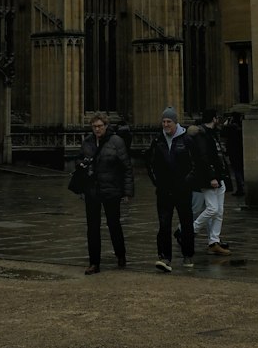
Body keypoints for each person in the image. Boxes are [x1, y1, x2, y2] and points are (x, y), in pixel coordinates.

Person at [144, 106, 196, 273]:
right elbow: (150, 164)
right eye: (164, 121)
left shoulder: (186, 139)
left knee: (187, 224)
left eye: (169, 121)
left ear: (175, 122)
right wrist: (157, 182)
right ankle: (165, 257)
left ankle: (188, 254)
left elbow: (196, 164)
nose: (166, 124)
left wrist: (187, 181)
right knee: (164, 224)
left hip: (182, 189)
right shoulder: (158, 140)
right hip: (164, 190)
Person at [80, 114, 133, 275]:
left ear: (106, 126)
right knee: (93, 227)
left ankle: (120, 254)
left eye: (100, 126)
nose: (97, 129)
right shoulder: (87, 142)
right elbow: (81, 162)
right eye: (94, 126)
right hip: (93, 190)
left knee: (113, 224)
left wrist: (127, 192)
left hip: (111, 189)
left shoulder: (116, 141)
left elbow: (127, 167)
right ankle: (94, 262)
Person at [189, 109, 231, 255]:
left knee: (219, 211)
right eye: (217, 118)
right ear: (214, 119)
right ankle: (189, 231)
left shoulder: (212, 133)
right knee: (212, 209)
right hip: (209, 178)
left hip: (219, 176)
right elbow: (204, 157)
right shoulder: (203, 135)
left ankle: (214, 241)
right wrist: (212, 176)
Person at [224, 112, 245, 197]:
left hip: (234, 151)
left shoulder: (231, 127)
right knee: (240, 170)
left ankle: (240, 188)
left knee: (237, 170)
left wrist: (227, 122)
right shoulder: (241, 126)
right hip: (240, 151)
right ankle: (242, 186)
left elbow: (223, 131)